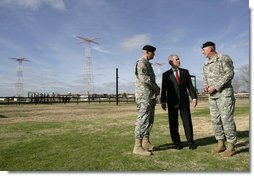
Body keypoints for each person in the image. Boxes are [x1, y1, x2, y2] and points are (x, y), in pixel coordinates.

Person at [202, 41, 237, 157]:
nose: (202, 52)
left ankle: (231, 145)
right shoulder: (206, 63)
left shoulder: (223, 58)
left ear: (211, 49)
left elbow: (229, 74)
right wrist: (206, 85)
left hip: (224, 95)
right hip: (212, 97)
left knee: (226, 120)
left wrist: (215, 87)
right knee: (215, 120)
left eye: (204, 50)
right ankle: (221, 143)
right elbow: (205, 77)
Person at [160, 54, 197, 150]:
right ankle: (177, 143)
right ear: (171, 62)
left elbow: (190, 86)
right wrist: (163, 101)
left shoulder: (185, 72)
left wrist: (194, 97)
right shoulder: (166, 74)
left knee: (187, 121)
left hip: (184, 101)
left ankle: (190, 141)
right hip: (172, 102)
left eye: (179, 59)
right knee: (173, 122)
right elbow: (164, 89)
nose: (179, 60)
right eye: (177, 59)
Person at [133, 45, 160, 156]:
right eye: (153, 53)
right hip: (144, 96)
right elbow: (145, 79)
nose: (154, 55)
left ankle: (145, 142)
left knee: (149, 119)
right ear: (147, 52)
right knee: (143, 118)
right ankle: (137, 146)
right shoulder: (142, 62)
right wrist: (156, 87)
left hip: (150, 96)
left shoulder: (148, 63)